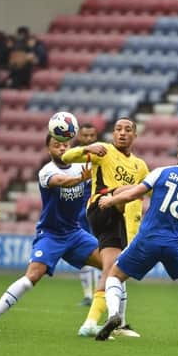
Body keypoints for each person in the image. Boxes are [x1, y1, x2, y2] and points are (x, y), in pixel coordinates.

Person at [0, 135, 103, 330]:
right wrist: (80, 178)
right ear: (48, 150)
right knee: (32, 277)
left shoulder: (80, 166)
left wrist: (92, 148)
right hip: (51, 235)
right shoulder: (47, 171)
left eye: (65, 145)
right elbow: (61, 181)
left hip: (75, 233)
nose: (61, 148)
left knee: (114, 266)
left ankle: (116, 323)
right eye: (56, 145)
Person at [95, 137, 178, 344]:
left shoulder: (162, 172)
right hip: (175, 243)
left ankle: (114, 315)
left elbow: (135, 194)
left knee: (114, 276)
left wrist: (111, 200)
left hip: (148, 238)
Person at [62, 118, 149, 338]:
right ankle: (116, 322)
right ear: (112, 133)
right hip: (100, 206)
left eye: (128, 130)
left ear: (135, 136)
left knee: (112, 272)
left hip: (118, 221)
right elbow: (66, 157)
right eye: (118, 129)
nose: (122, 133)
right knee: (126, 190)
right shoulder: (105, 151)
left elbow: (148, 192)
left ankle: (92, 323)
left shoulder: (140, 165)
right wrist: (86, 148)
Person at [75, 123, 101, 306]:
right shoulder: (74, 159)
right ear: (79, 137)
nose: (89, 139)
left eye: (92, 135)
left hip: (97, 212)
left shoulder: (102, 158)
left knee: (101, 252)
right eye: (85, 136)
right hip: (77, 214)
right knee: (84, 255)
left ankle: (99, 293)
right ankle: (87, 295)